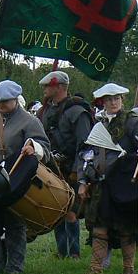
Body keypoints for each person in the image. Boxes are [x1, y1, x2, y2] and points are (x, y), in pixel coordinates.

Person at [0, 80, 50, 274]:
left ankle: (14, 268)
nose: (1, 105)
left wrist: (33, 147)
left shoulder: (29, 121)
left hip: (16, 181)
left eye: (5, 101)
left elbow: (45, 148)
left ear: (15, 100)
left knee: (14, 225)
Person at [78, 83, 138, 274]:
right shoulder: (98, 125)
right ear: (103, 102)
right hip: (101, 184)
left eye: (117, 98)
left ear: (122, 100)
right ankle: (96, 268)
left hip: (125, 184)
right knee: (99, 227)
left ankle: (128, 269)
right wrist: (82, 181)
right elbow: (88, 155)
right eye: (109, 99)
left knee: (126, 228)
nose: (113, 102)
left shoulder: (132, 122)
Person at [37, 71, 92, 259]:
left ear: (59, 87)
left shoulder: (77, 111)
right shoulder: (45, 111)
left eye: (47, 86)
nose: (44, 89)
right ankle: (62, 252)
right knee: (56, 210)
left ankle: (74, 253)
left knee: (71, 213)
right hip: (52, 168)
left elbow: (84, 145)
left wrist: (79, 171)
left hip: (72, 169)